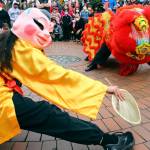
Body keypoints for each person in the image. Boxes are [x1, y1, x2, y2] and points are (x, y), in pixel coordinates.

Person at [0, 8, 134, 150]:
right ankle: (108, 141)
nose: (48, 34)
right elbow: (57, 76)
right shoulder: (21, 48)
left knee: (43, 112)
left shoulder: (9, 39)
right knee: (47, 114)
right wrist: (103, 88)